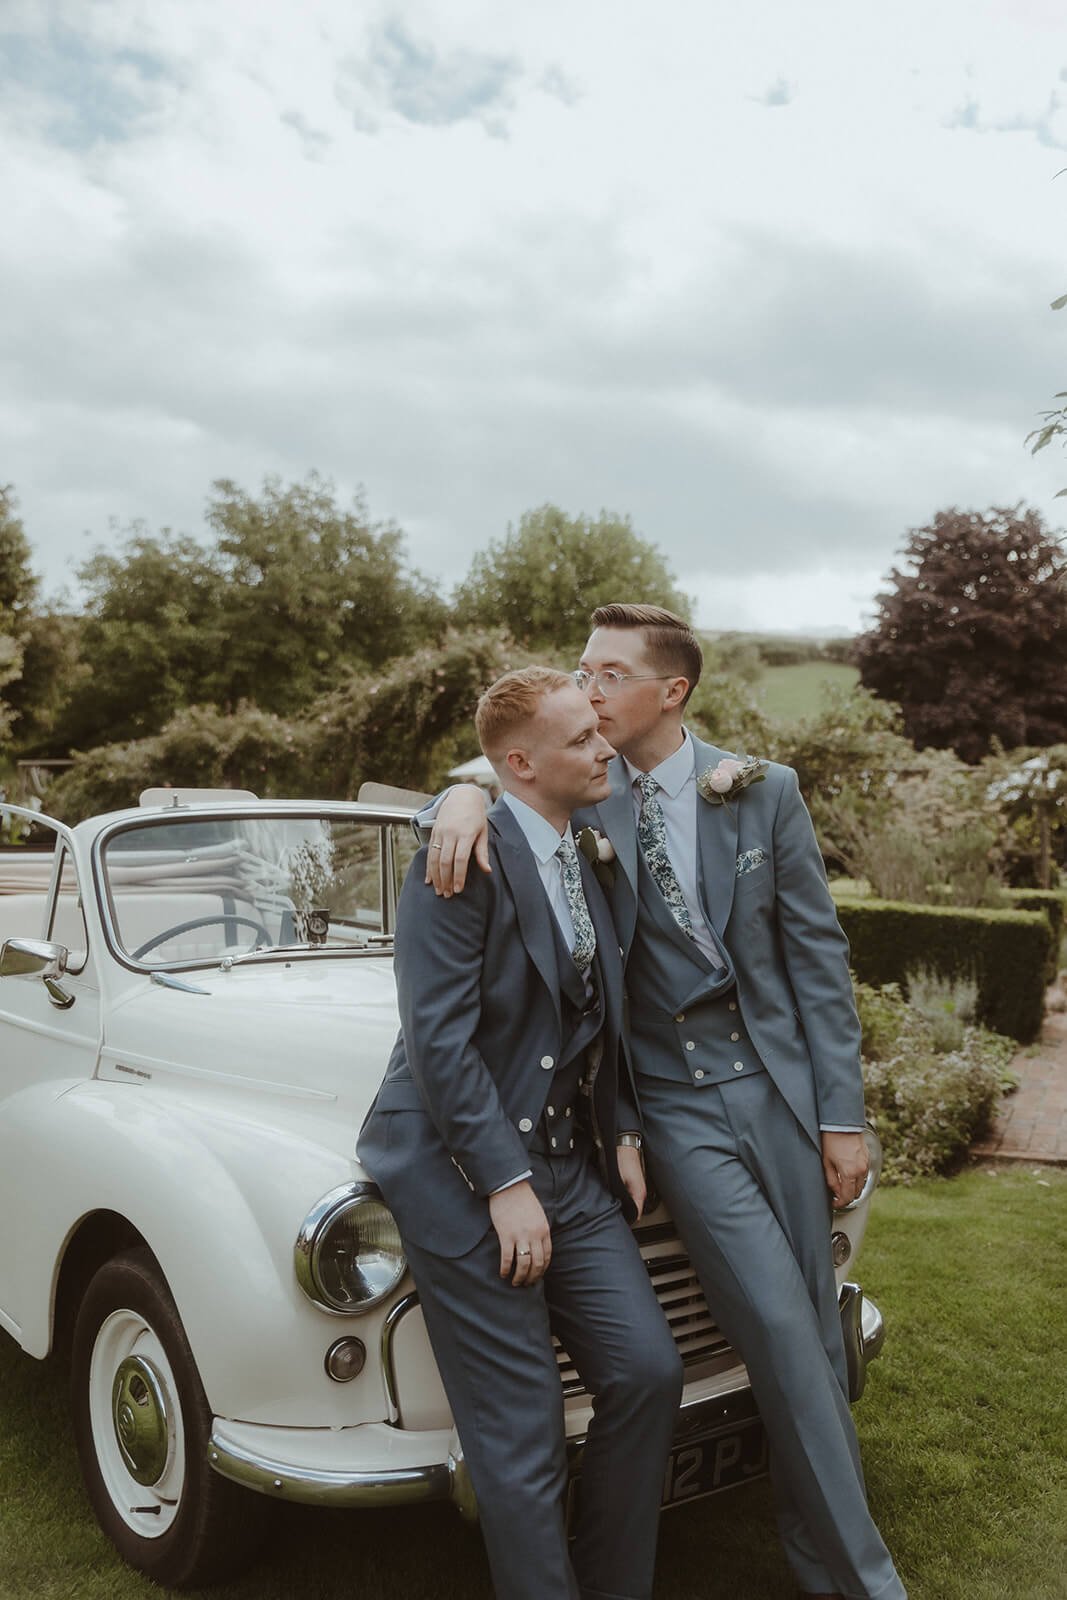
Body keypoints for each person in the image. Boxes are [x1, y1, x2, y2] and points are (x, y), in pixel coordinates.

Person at [426, 607, 907, 1600]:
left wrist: (841, 1112)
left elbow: (815, 958)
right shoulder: (583, 794)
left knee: (815, 1336)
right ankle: (869, 1585)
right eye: (580, 670)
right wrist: (456, 795)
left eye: (605, 673)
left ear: (668, 692)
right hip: (676, 1106)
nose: (584, 688)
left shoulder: (763, 791)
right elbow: (505, 770)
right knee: (776, 1328)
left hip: (775, 1089)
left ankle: (815, 1557)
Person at [358, 665, 682, 1600]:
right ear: (517, 763)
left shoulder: (584, 847)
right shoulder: (459, 857)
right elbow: (438, 1043)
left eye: (597, 730)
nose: (603, 747)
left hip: (566, 1165)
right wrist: (503, 1185)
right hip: (459, 1166)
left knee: (646, 1371)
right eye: (580, 739)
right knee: (521, 1423)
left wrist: (618, 1127)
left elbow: (603, 1012)